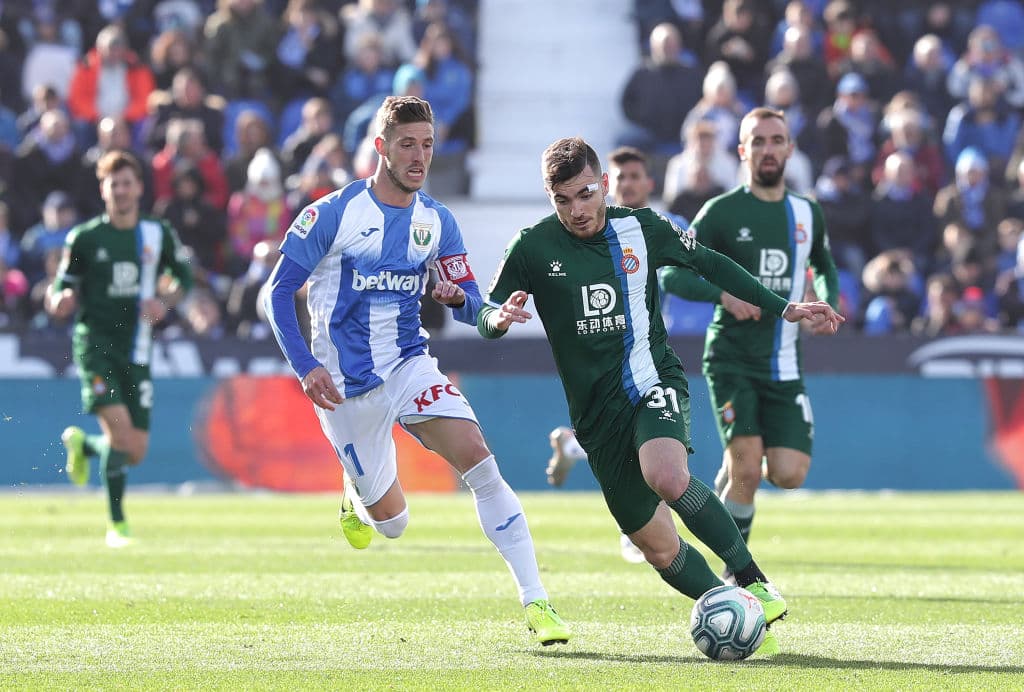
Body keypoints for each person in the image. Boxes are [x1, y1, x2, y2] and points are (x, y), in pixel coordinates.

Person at [478, 135, 843, 656]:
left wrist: (784, 306)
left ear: (604, 184)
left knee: (666, 474)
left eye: (585, 194)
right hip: (596, 419)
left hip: (652, 380)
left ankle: (752, 577)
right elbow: (487, 311)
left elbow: (711, 265)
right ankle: (733, 609)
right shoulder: (533, 246)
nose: (576, 210)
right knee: (657, 546)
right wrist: (499, 318)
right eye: (562, 199)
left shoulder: (642, 227)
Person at [262, 95, 570, 647]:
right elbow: (277, 292)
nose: (419, 156)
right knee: (392, 523)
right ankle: (354, 489)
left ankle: (537, 602)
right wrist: (306, 366)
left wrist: (492, 315)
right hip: (344, 386)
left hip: (409, 364)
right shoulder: (333, 213)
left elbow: (472, 302)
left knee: (477, 458)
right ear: (380, 147)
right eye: (407, 143)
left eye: (428, 144)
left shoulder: (437, 221)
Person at [659, 108, 840, 578]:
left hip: (783, 362)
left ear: (789, 149)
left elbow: (822, 262)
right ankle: (735, 576)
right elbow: (674, 271)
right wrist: (722, 293)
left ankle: (734, 472)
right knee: (747, 469)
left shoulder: (807, 211)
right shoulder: (721, 213)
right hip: (732, 358)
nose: (767, 149)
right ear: (742, 152)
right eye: (756, 141)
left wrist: (826, 300)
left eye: (776, 140)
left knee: (789, 473)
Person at [545, 145, 687, 565]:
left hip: (650, 348)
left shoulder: (661, 225)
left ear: (649, 183)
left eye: (634, 177)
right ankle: (636, 524)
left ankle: (573, 449)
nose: (627, 185)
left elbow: (686, 272)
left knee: (646, 441)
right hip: (603, 356)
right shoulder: (586, 231)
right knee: (626, 443)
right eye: (620, 177)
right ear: (610, 184)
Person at [46, 150, 192, 548]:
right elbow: (62, 285)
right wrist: (58, 299)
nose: (122, 190)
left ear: (139, 188)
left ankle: (83, 445)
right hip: (96, 346)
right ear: (104, 190)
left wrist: (164, 303)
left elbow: (184, 278)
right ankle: (117, 524)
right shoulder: (86, 237)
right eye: (114, 184)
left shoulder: (155, 233)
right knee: (122, 434)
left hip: (138, 349)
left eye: (128, 183)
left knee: (136, 450)